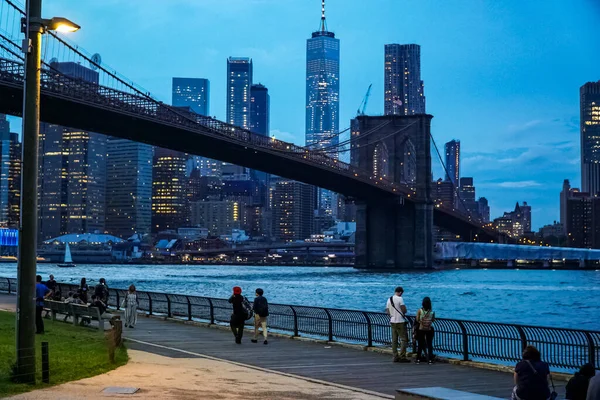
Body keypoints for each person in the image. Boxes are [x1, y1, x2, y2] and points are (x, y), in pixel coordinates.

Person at [385, 286, 409, 363]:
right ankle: (402, 356)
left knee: (394, 340)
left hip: (392, 321)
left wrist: (393, 315)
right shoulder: (400, 299)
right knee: (403, 339)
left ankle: (395, 356)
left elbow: (387, 311)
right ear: (400, 292)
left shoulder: (389, 299)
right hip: (400, 321)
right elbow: (404, 310)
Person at [415, 296, 435, 364]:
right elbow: (433, 320)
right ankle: (430, 360)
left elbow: (417, 319)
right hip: (429, 329)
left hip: (421, 328)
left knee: (420, 344)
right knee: (429, 344)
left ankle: (418, 359)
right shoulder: (432, 312)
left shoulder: (419, 310)